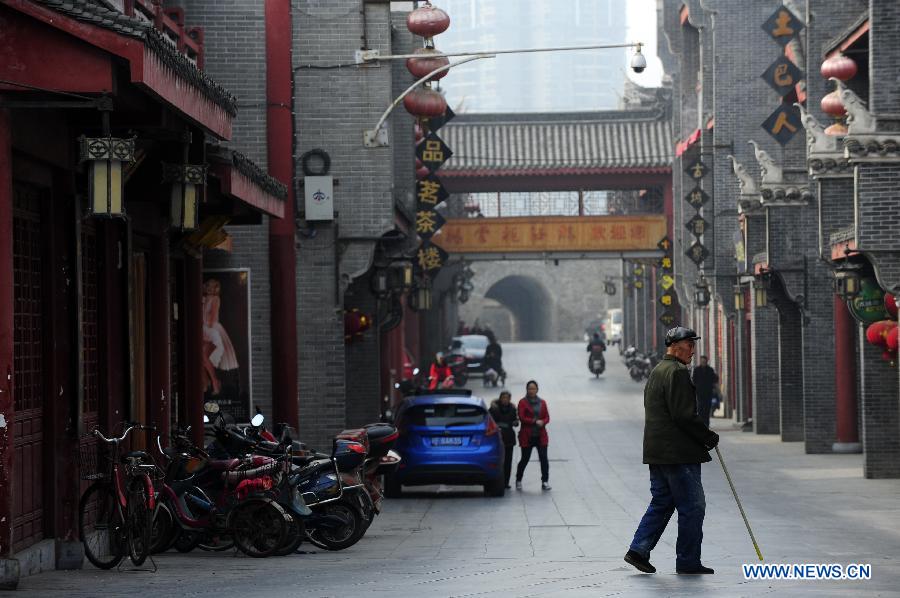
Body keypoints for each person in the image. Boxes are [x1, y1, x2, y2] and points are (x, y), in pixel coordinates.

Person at [624, 326, 720, 576]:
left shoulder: (657, 370)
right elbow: (683, 415)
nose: (692, 350)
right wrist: (707, 436)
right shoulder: (676, 372)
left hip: (658, 451)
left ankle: (638, 550)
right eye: (689, 345)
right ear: (675, 346)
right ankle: (688, 560)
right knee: (692, 506)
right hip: (678, 453)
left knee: (663, 502)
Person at [202, 278, 239, 396]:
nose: (210, 289)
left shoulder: (215, 299)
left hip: (212, 330)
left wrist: (206, 328)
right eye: (208, 286)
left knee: (203, 355)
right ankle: (208, 381)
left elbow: (212, 317)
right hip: (204, 328)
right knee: (202, 357)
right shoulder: (204, 298)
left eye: (213, 287)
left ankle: (213, 381)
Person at [515, 380, 551, 491]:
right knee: (525, 458)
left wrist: (543, 422)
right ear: (527, 389)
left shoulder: (542, 402)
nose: (531, 390)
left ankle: (545, 481)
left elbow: (547, 417)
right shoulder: (522, 402)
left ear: (537, 389)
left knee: (544, 458)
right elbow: (521, 417)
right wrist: (534, 421)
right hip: (527, 435)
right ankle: (518, 479)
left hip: (541, 435)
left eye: (533, 388)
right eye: (529, 388)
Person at [489, 391, 519, 489]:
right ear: (500, 398)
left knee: (508, 462)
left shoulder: (512, 409)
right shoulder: (494, 409)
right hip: (497, 439)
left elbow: (516, 421)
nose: (505, 400)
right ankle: (496, 481)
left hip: (509, 439)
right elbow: (489, 421)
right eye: (503, 397)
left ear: (510, 399)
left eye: (507, 398)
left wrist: (515, 422)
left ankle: (506, 482)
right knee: (498, 460)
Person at [692, 356, 719, 427]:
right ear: (700, 362)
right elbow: (693, 380)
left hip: (708, 392)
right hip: (700, 392)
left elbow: (715, 379)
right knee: (700, 408)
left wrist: (715, 386)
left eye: (704, 361)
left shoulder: (710, 370)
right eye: (702, 361)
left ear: (706, 362)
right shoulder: (696, 370)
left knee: (707, 408)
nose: (703, 362)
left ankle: (707, 423)